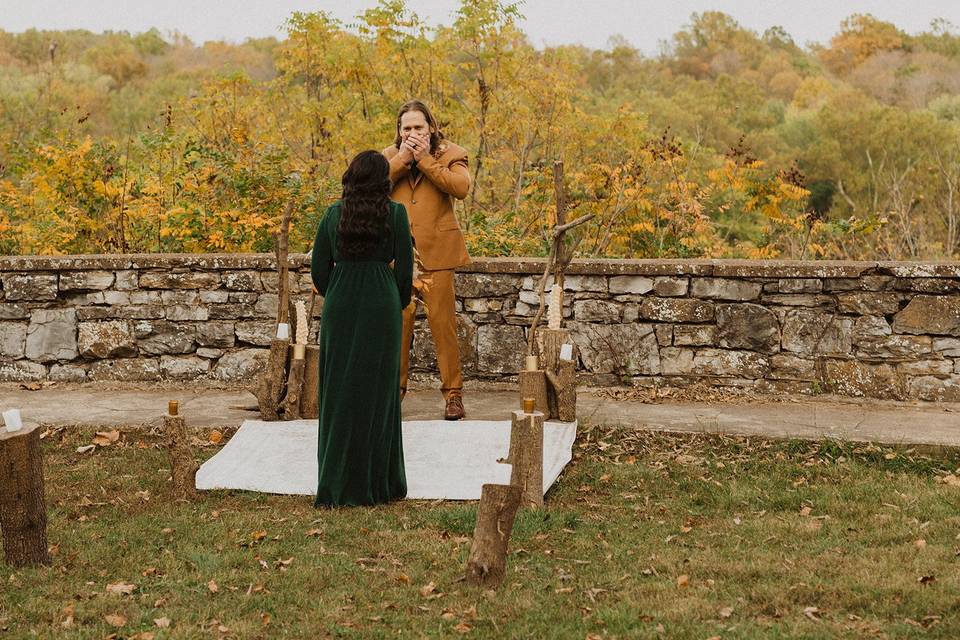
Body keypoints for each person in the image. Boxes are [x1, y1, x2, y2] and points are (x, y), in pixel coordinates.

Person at [310, 150, 413, 507]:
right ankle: (380, 483)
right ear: (384, 181)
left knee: (339, 390)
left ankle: (337, 482)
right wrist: (392, 301)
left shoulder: (331, 215)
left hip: (341, 305)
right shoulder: (397, 214)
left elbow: (319, 272)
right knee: (380, 393)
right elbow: (405, 274)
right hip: (382, 304)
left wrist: (339, 291)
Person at [382, 100, 471, 421]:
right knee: (397, 328)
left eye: (418, 127)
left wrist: (425, 161)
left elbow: (461, 188)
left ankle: (453, 395)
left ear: (431, 128)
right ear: (399, 131)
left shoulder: (450, 153)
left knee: (443, 327)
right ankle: (393, 395)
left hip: (439, 253)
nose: (413, 133)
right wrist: (404, 160)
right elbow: (367, 188)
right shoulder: (387, 158)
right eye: (406, 128)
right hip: (397, 256)